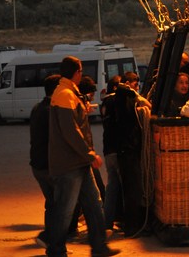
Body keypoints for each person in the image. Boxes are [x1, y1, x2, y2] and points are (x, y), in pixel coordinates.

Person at [48, 55, 120, 257]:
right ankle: (55, 250)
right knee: (65, 210)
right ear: (76, 72)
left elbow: (73, 125)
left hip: (78, 162)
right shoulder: (64, 94)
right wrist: (90, 154)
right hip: (69, 164)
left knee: (94, 205)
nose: (82, 74)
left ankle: (99, 247)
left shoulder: (70, 92)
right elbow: (70, 131)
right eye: (80, 71)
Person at [114, 71, 151, 237]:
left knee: (133, 190)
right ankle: (132, 227)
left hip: (129, 150)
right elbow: (124, 90)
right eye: (134, 83)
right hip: (127, 151)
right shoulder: (123, 96)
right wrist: (134, 93)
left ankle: (132, 225)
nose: (137, 86)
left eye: (137, 83)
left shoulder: (127, 99)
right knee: (133, 191)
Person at [30, 74, 61, 250]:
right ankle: (50, 239)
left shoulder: (37, 108)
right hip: (48, 165)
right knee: (62, 206)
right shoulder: (51, 111)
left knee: (52, 204)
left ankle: (52, 241)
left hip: (37, 164)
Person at [100, 76, 123, 232]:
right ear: (116, 88)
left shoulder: (104, 103)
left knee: (112, 187)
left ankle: (107, 222)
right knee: (125, 188)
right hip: (118, 150)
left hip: (108, 150)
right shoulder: (116, 101)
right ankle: (128, 222)